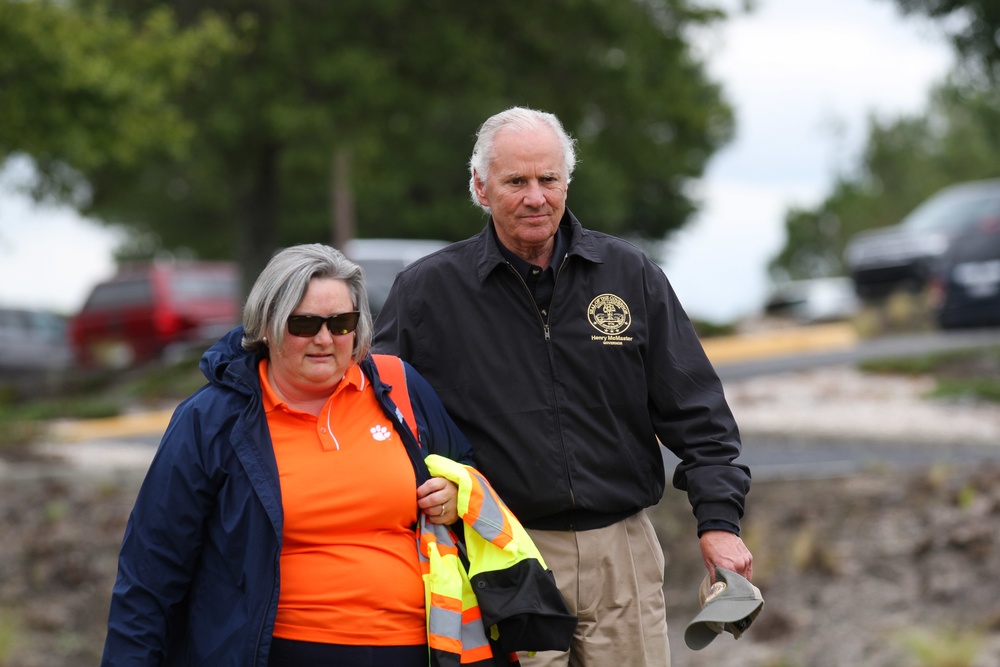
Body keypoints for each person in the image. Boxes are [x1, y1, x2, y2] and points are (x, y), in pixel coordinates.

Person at [373, 106, 753, 666]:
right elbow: (383, 417)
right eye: (516, 182)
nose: (535, 197)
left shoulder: (630, 275)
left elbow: (700, 415)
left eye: (548, 179)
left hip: (622, 553)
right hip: (503, 553)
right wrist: (436, 491)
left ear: (566, 182)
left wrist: (719, 522)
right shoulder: (427, 293)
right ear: (480, 188)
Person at [102, 244, 475, 667]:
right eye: (303, 324)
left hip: (418, 649)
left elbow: (469, 471)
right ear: (267, 326)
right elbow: (151, 571)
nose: (323, 339)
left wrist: (455, 491)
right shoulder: (211, 419)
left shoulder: (398, 385)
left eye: (340, 323)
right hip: (280, 651)